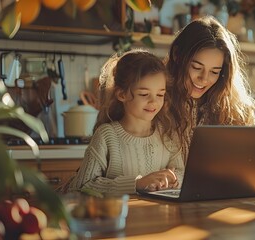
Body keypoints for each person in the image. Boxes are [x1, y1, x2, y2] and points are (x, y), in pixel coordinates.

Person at [165, 16, 255, 191]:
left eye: (214, 71)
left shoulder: (234, 108)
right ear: (178, 56)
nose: (204, 79)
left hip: (223, 207)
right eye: (196, 67)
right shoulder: (156, 102)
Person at [65, 49, 184, 194]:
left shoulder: (168, 133)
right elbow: (81, 186)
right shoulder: (107, 136)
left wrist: (172, 179)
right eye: (144, 94)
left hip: (159, 215)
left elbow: (182, 173)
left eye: (160, 94)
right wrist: (136, 184)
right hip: (119, 216)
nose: (154, 101)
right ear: (122, 94)